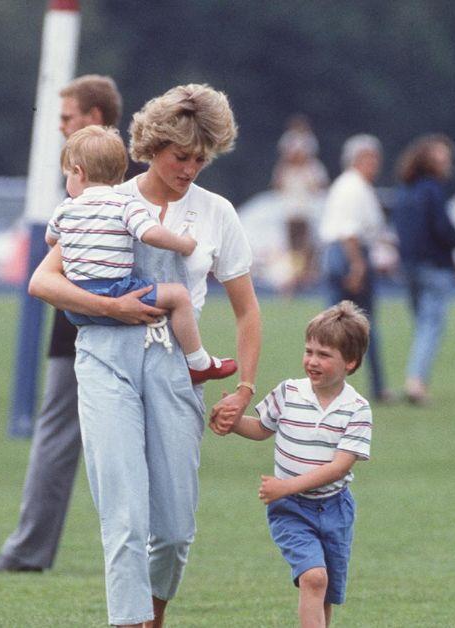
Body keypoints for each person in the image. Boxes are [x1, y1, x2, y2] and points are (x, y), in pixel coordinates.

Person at [29, 83, 261, 627]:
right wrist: (110, 310)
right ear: (153, 146)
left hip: (178, 366)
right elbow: (44, 279)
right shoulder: (109, 197)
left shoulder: (218, 213)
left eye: (202, 159)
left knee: (175, 531)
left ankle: (151, 615)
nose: (191, 169)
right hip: (106, 357)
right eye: (182, 157)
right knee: (125, 516)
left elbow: (248, 312)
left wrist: (244, 389)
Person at [0, 74, 124, 575]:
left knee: (60, 432)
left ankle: (30, 550)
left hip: (89, 327)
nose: (59, 127)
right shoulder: (121, 183)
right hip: (91, 324)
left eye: (66, 118)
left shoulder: (106, 187)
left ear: (94, 118)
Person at [221, 300, 372, 628]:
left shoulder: (357, 408)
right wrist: (232, 422)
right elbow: (262, 428)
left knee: (324, 589)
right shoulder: (288, 392)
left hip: (335, 509)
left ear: (350, 362)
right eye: (309, 351)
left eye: (324, 355)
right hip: (291, 509)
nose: (312, 361)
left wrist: (285, 485)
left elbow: (340, 467)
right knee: (314, 578)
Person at [46, 125, 236, 382]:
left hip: (77, 306)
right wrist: (183, 244)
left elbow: (51, 240)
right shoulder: (125, 204)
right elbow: (150, 234)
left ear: (78, 172)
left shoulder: (65, 209)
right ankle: (197, 361)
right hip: (117, 291)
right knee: (179, 295)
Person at [390, 134, 455, 405]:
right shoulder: (432, 190)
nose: (447, 162)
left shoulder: (404, 191)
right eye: (442, 156)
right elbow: (443, 227)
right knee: (430, 326)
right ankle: (416, 382)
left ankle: (416, 377)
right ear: (427, 159)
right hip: (434, 267)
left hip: (409, 267)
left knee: (421, 324)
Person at [319, 134, 390, 401]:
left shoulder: (348, 186)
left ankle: (326, 385)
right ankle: (376, 386)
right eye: (372, 158)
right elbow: (349, 230)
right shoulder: (354, 187)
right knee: (358, 326)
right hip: (349, 255)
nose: (377, 164)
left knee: (333, 326)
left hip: (343, 254)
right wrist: (358, 265)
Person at [270, 114, 329, 295]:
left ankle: (302, 279)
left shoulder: (313, 168)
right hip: (290, 213)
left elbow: (319, 186)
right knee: (292, 249)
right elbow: (277, 185)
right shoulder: (285, 169)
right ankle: (292, 279)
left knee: (305, 249)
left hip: (307, 214)